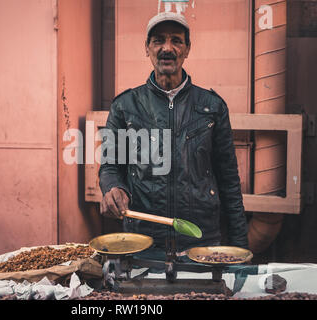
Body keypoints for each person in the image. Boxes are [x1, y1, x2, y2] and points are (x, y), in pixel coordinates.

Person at [98, 12, 248, 252]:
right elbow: (110, 166)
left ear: (187, 49)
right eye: (158, 40)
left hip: (201, 241)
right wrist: (113, 187)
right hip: (143, 240)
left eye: (176, 40)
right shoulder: (125, 106)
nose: (167, 48)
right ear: (147, 48)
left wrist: (241, 246)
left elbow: (229, 181)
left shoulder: (212, 107)